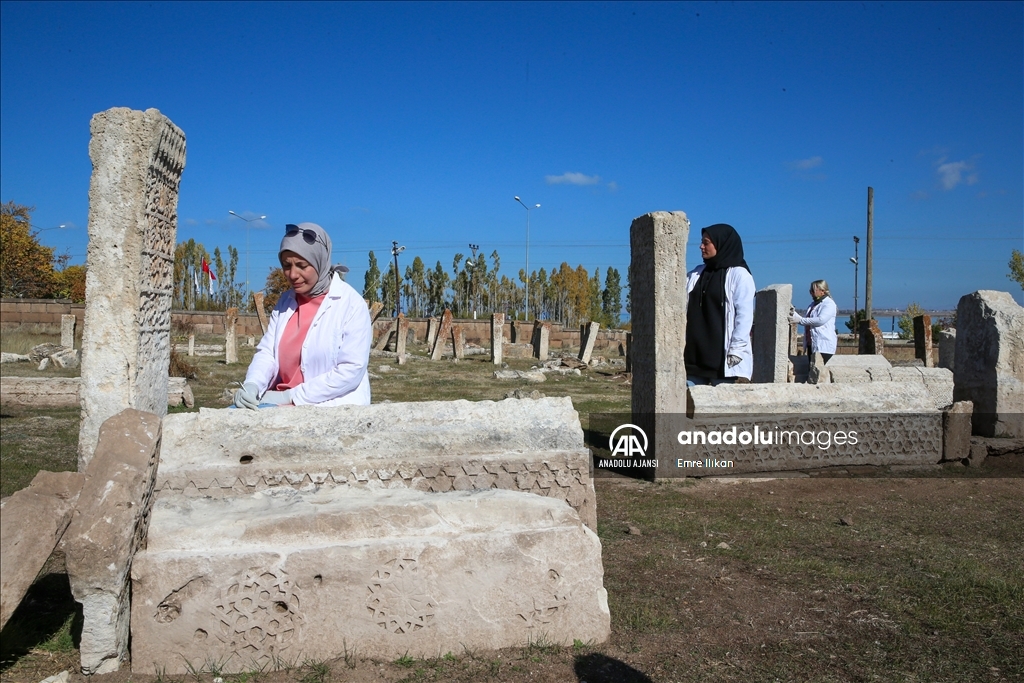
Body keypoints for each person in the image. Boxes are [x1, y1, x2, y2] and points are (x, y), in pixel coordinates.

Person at [233, 222, 371, 409]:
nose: (292, 274)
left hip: (328, 406)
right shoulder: (285, 302)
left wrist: (291, 396)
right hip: (278, 400)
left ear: (320, 261)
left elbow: (351, 370)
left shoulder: (351, 305)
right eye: (286, 265)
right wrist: (253, 385)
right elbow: (268, 353)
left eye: (301, 265)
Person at [684, 224, 755, 385]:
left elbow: (744, 317)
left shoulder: (739, 275)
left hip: (720, 361)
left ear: (722, 243)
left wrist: (737, 349)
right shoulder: (696, 273)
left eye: (706, 242)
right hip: (694, 358)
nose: (701, 246)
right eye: (702, 242)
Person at [790, 279, 837, 364]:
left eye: (813, 290)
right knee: (811, 370)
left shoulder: (829, 304)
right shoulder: (812, 305)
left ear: (822, 291)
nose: (811, 293)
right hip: (811, 344)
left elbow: (820, 320)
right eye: (810, 291)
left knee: (818, 371)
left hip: (823, 345)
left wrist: (800, 320)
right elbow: (809, 320)